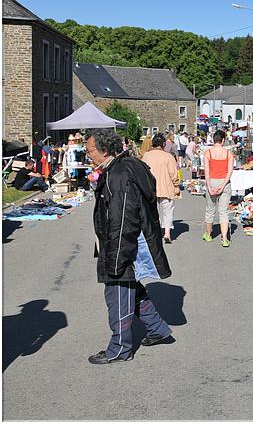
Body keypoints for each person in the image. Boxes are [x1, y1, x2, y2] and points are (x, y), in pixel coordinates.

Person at [85, 129, 173, 364]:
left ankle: (120, 348)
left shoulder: (119, 173)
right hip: (129, 240)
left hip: (124, 243)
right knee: (133, 291)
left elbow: (123, 218)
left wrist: (116, 257)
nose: (88, 155)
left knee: (118, 293)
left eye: (90, 151)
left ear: (104, 150)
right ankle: (157, 329)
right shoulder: (126, 165)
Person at [141, 133, 180, 244]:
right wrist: (176, 185)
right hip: (166, 187)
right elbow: (173, 174)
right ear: (163, 144)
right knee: (168, 210)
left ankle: (154, 232)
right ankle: (167, 233)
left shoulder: (146, 156)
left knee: (152, 211)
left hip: (150, 187)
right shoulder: (168, 156)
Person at [203, 130, 234, 247]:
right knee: (223, 212)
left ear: (213, 140)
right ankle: (225, 238)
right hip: (224, 183)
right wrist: (223, 185)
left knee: (210, 210)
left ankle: (208, 234)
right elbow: (230, 171)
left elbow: (206, 171)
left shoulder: (208, 153)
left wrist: (209, 186)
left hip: (212, 181)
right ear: (223, 140)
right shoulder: (228, 154)